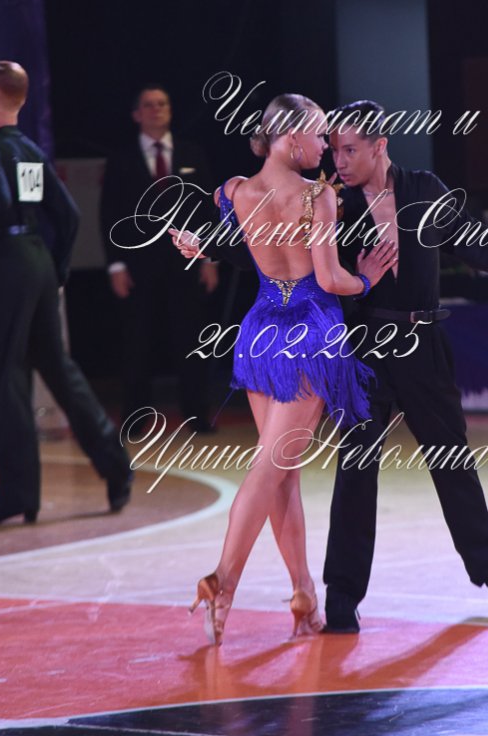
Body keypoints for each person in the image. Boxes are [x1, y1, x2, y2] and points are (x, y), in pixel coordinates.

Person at [321, 100, 488, 631]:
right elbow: (315, 275)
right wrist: (359, 280)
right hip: (364, 346)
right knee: (356, 471)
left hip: (423, 344)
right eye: (335, 150)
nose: (338, 160)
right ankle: (341, 594)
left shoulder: (423, 189)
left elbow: (471, 238)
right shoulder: (333, 203)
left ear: (380, 146)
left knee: (453, 461)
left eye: (350, 150)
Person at [170, 93, 397, 644]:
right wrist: (367, 278)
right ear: (291, 138)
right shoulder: (318, 195)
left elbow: (236, 247)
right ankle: (223, 578)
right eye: (319, 135)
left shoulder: (233, 191)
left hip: (260, 331)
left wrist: (201, 245)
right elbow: (331, 280)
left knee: (281, 473)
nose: (325, 146)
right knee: (271, 467)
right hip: (309, 332)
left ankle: (303, 593)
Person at [0, 60, 133, 526]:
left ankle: (18, 493)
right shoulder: (29, 151)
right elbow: (68, 216)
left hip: (4, 264)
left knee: (1, 376)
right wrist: (57, 268)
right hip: (38, 262)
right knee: (59, 369)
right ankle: (115, 464)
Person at [100, 86, 219, 430]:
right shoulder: (121, 159)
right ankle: (135, 418)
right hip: (138, 266)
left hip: (187, 262)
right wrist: (116, 265)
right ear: (136, 114)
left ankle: (197, 415)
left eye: (162, 104)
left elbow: (208, 209)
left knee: (191, 339)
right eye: (149, 105)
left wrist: (211, 259)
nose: (157, 109)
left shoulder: (192, 152)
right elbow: (109, 215)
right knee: (137, 343)